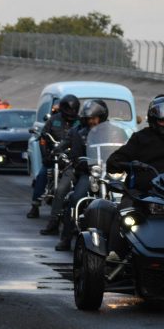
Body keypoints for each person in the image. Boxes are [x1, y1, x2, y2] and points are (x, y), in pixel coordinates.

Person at [53, 100, 109, 251]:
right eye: (89, 118)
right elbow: (76, 156)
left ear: (102, 117)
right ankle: (65, 238)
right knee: (76, 198)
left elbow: (121, 148)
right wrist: (81, 162)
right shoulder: (80, 133)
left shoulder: (112, 131)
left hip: (109, 172)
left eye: (95, 118)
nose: (92, 121)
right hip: (89, 173)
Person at [28, 94, 80, 220]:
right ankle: (35, 205)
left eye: (73, 109)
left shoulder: (80, 122)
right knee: (42, 175)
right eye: (68, 109)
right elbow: (43, 139)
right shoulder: (53, 120)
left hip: (71, 158)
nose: (71, 112)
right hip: (54, 156)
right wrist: (46, 155)